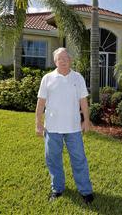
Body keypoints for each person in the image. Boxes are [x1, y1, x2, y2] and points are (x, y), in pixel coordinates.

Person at [35, 47, 94, 204]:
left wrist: (86, 120)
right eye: (60, 58)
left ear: (70, 60)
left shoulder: (78, 78)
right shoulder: (47, 78)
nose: (63, 61)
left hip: (73, 128)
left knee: (79, 159)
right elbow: (41, 102)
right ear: (55, 61)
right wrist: (38, 123)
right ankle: (57, 188)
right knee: (53, 159)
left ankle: (86, 191)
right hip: (52, 128)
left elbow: (83, 101)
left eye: (66, 58)